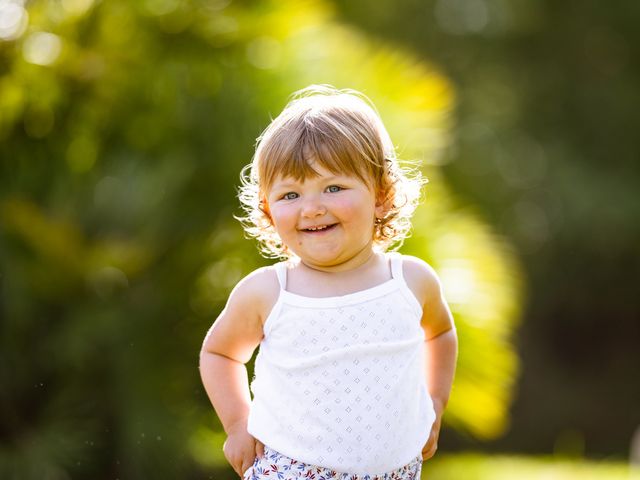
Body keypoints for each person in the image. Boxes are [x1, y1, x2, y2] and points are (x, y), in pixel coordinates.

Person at [199, 85, 458, 479]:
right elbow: (220, 354)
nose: (312, 207)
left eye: (334, 187)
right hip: (290, 469)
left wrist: (435, 401)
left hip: (395, 471)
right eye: (290, 194)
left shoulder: (410, 281)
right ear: (268, 209)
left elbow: (439, 333)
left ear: (382, 195)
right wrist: (237, 423)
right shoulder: (269, 291)